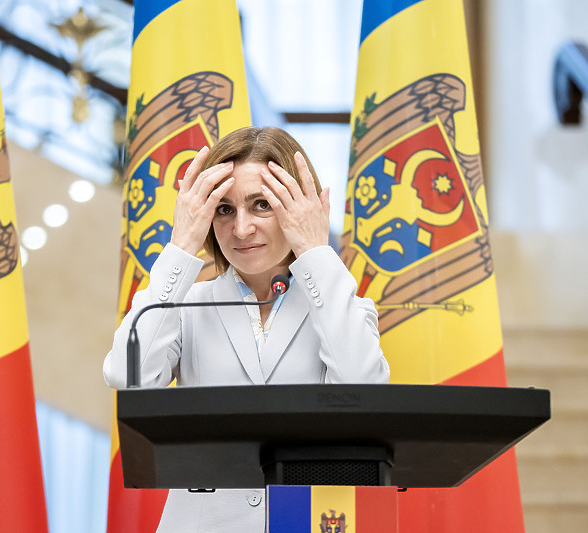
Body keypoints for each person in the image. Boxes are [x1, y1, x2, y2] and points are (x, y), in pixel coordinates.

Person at [103, 126, 390, 533]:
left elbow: (366, 391)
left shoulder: (342, 308)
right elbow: (127, 376)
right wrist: (182, 244)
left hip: (309, 522)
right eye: (224, 209)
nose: (240, 229)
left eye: (261, 205)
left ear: (300, 208)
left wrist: (315, 253)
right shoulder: (186, 304)